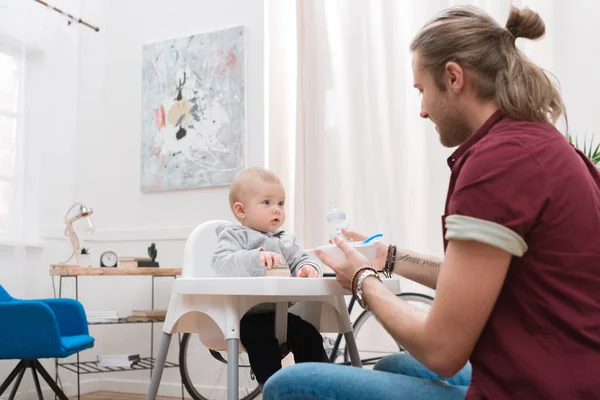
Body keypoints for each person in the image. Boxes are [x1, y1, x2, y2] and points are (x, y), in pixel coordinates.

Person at [263, 5, 600, 400]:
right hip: (572, 369)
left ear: (454, 77)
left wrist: (360, 280)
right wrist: (385, 256)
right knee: (394, 365)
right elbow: (475, 278)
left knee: (290, 384)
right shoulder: (543, 145)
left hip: (541, 389)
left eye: (422, 90)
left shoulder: (499, 163)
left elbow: (442, 352)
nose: (422, 109)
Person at [212, 167, 329, 387]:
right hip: (243, 315)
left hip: (280, 314)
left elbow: (302, 259)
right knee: (261, 341)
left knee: (309, 335)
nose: (277, 210)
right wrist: (255, 258)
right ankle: (275, 389)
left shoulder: (286, 239)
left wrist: (307, 268)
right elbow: (221, 263)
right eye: (267, 202)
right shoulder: (234, 236)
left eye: (281, 203)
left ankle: (319, 385)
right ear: (241, 210)